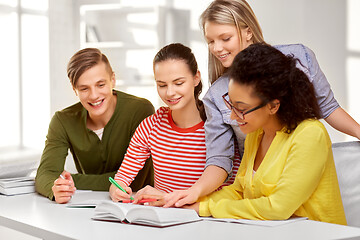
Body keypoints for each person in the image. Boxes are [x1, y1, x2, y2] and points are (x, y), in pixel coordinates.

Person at [164, 0, 360, 208]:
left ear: (248, 31)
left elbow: (328, 108)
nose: (217, 48)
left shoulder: (299, 59)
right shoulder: (222, 102)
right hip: (258, 191)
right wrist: (195, 193)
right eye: (210, 41)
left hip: (302, 181)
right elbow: (220, 159)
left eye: (225, 38)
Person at [186, 43, 347, 225]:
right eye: (231, 105)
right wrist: (187, 204)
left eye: (241, 109)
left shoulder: (310, 134)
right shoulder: (256, 134)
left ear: (273, 105)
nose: (232, 116)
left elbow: (278, 208)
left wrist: (205, 209)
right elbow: (238, 191)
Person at [109, 43, 239, 203]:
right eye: (162, 85)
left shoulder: (219, 127)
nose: (170, 92)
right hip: (163, 221)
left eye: (178, 83)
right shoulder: (151, 126)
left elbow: (233, 189)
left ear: (196, 78)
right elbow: (122, 177)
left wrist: (167, 199)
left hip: (207, 220)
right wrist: (117, 189)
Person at [35, 48, 154, 203]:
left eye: (100, 85)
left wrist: (75, 181)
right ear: (74, 89)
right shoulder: (62, 120)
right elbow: (45, 173)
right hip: (89, 208)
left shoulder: (140, 110)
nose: (94, 95)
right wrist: (56, 188)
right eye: (84, 88)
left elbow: (136, 179)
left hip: (139, 206)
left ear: (113, 80)